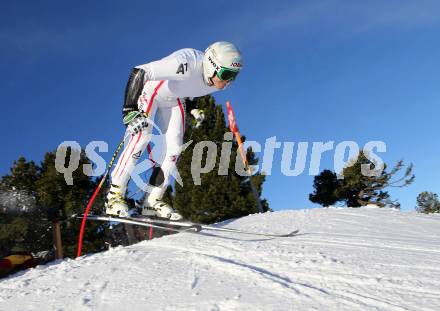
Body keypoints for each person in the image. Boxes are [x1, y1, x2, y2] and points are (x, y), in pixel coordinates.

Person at [106, 41, 243, 220]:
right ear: (212, 65)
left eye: (234, 76)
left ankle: (152, 200)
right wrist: (130, 111)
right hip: (152, 91)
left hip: (174, 100)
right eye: (226, 74)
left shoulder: (215, 82)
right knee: (142, 135)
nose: (227, 82)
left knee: (174, 149)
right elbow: (140, 71)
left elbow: (192, 88)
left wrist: (193, 108)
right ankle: (114, 196)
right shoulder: (185, 63)